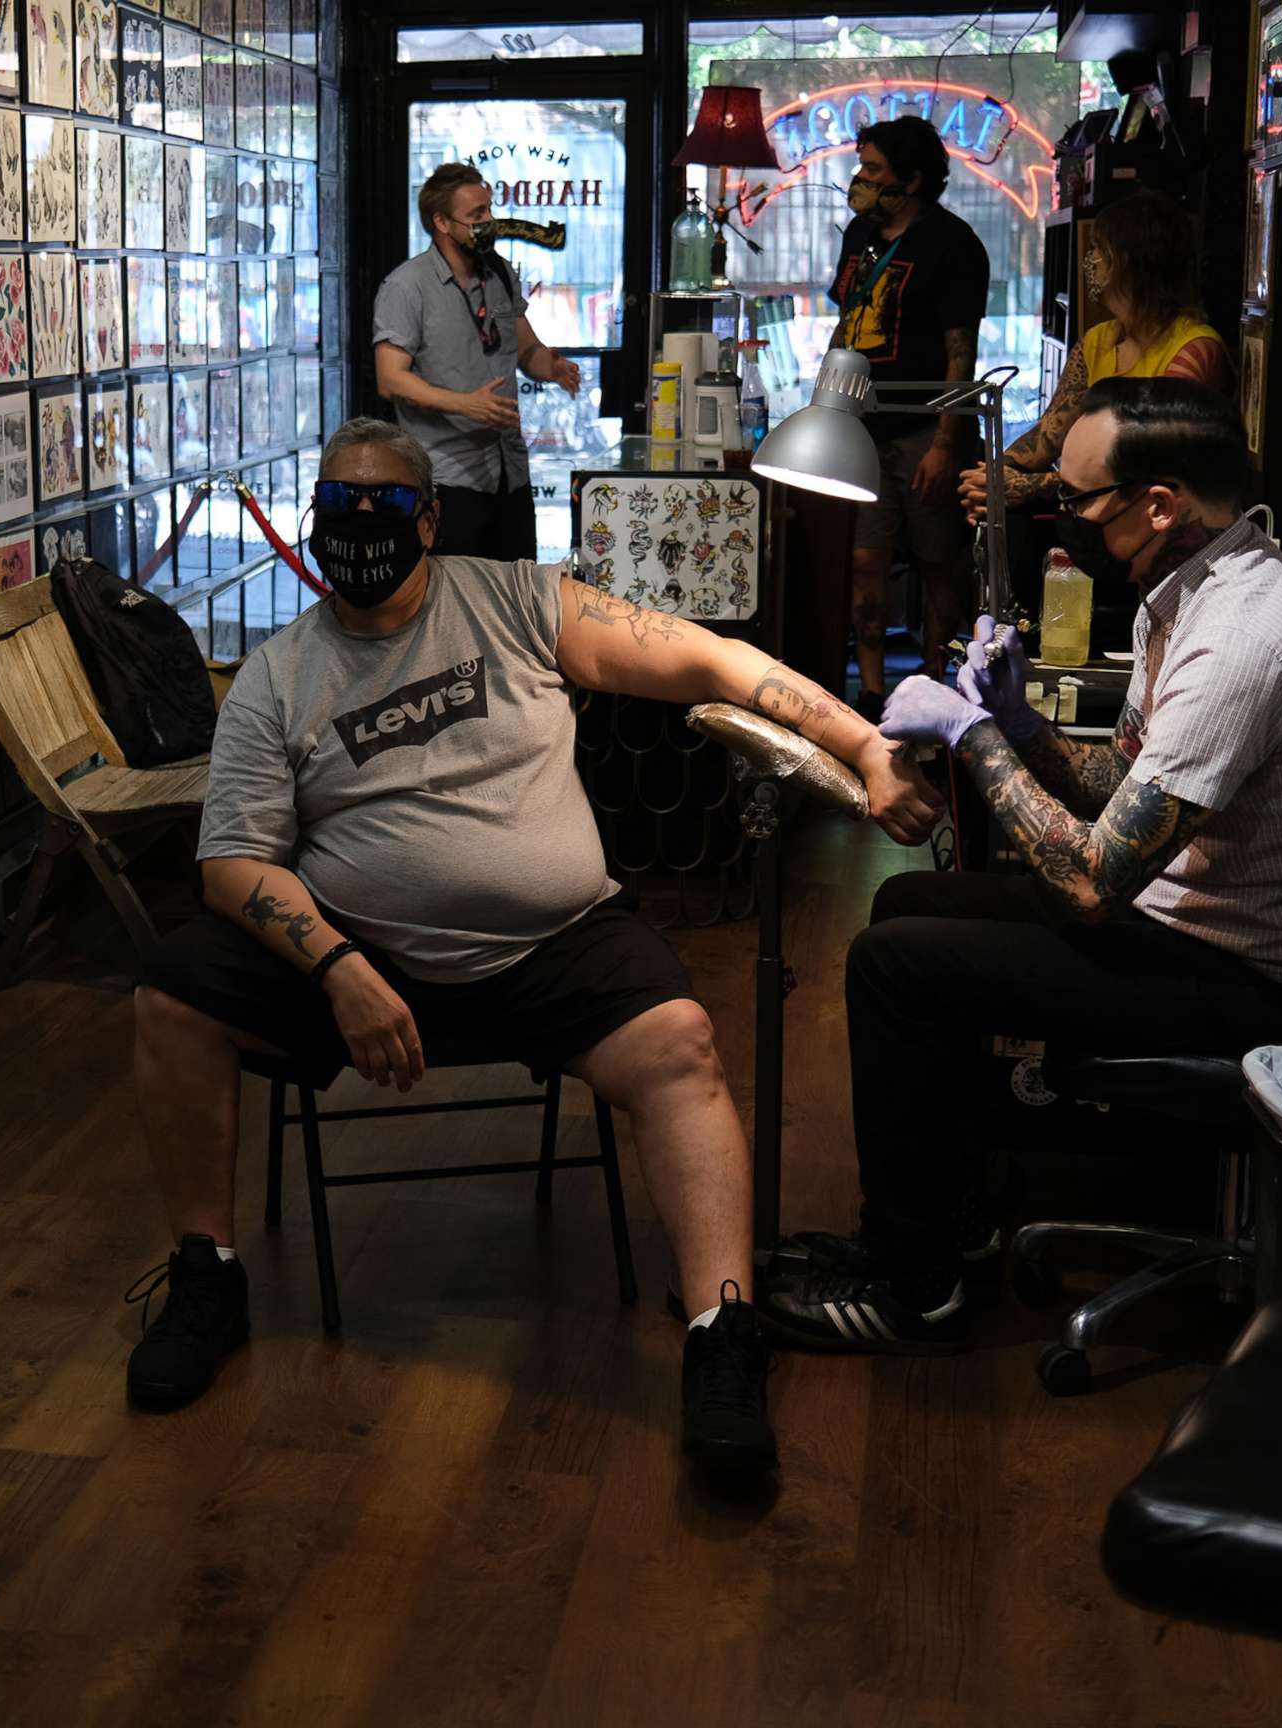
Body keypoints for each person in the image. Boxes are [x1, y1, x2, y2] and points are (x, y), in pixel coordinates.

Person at [122, 417, 943, 1468]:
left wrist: (867, 746)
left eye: (382, 507)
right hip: (363, 958)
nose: (357, 528)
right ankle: (206, 1275)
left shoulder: (517, 599)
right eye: (337, 507)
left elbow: (711, 660)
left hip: (553, 946)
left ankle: (721, 1333)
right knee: (173, 991)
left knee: (682, 1043)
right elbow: (232, 866)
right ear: (310, 519)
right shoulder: (280, 676)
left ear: (427, 518)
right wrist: (339, 969)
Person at [762, 378, 1282, 1354]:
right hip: (1198, 919)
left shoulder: (1245, 641)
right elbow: (1125, 784)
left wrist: (973, 734)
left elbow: (1092, 880)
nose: (1059, 515)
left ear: (1160, 504)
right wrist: (1018, 719)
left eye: (1081, 500)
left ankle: (909, 1284)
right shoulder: (1193, 594)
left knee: (894, 967)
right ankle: (955, 1221)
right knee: (905, 900)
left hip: (1261, 980)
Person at [827, 114, 991, 721]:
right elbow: (845, 324)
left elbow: (960, 352)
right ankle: (869, 694)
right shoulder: (857, 236)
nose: (860, 180)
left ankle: (938, 687)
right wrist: (829, 411)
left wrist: (947, 442)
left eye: (874, 170)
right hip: (863, 425)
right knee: (865, 561)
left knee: (938, 561)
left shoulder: (953, 245)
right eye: (861, 168)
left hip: (926, 428)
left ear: (913, 180)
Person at [960, 190, 1230, 524]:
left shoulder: (1195, 348)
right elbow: (1049, 434)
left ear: (1128, 261)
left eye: (1097, 249)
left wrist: (1032, 486)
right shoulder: (1098, 340)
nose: (1090, 261)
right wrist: (993, 476)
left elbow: (1148, 465)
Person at [372, 164, 586, 562]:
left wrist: (552, 368)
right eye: (476, 216)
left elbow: (526, 349)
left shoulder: (500, 273)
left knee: (516, 598)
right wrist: (464, 403)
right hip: (446, 480)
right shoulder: (406, 287)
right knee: (456, 608)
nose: (488, 222)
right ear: (441, 222)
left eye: (488, 210)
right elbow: (390, 379)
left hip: (509, 472)